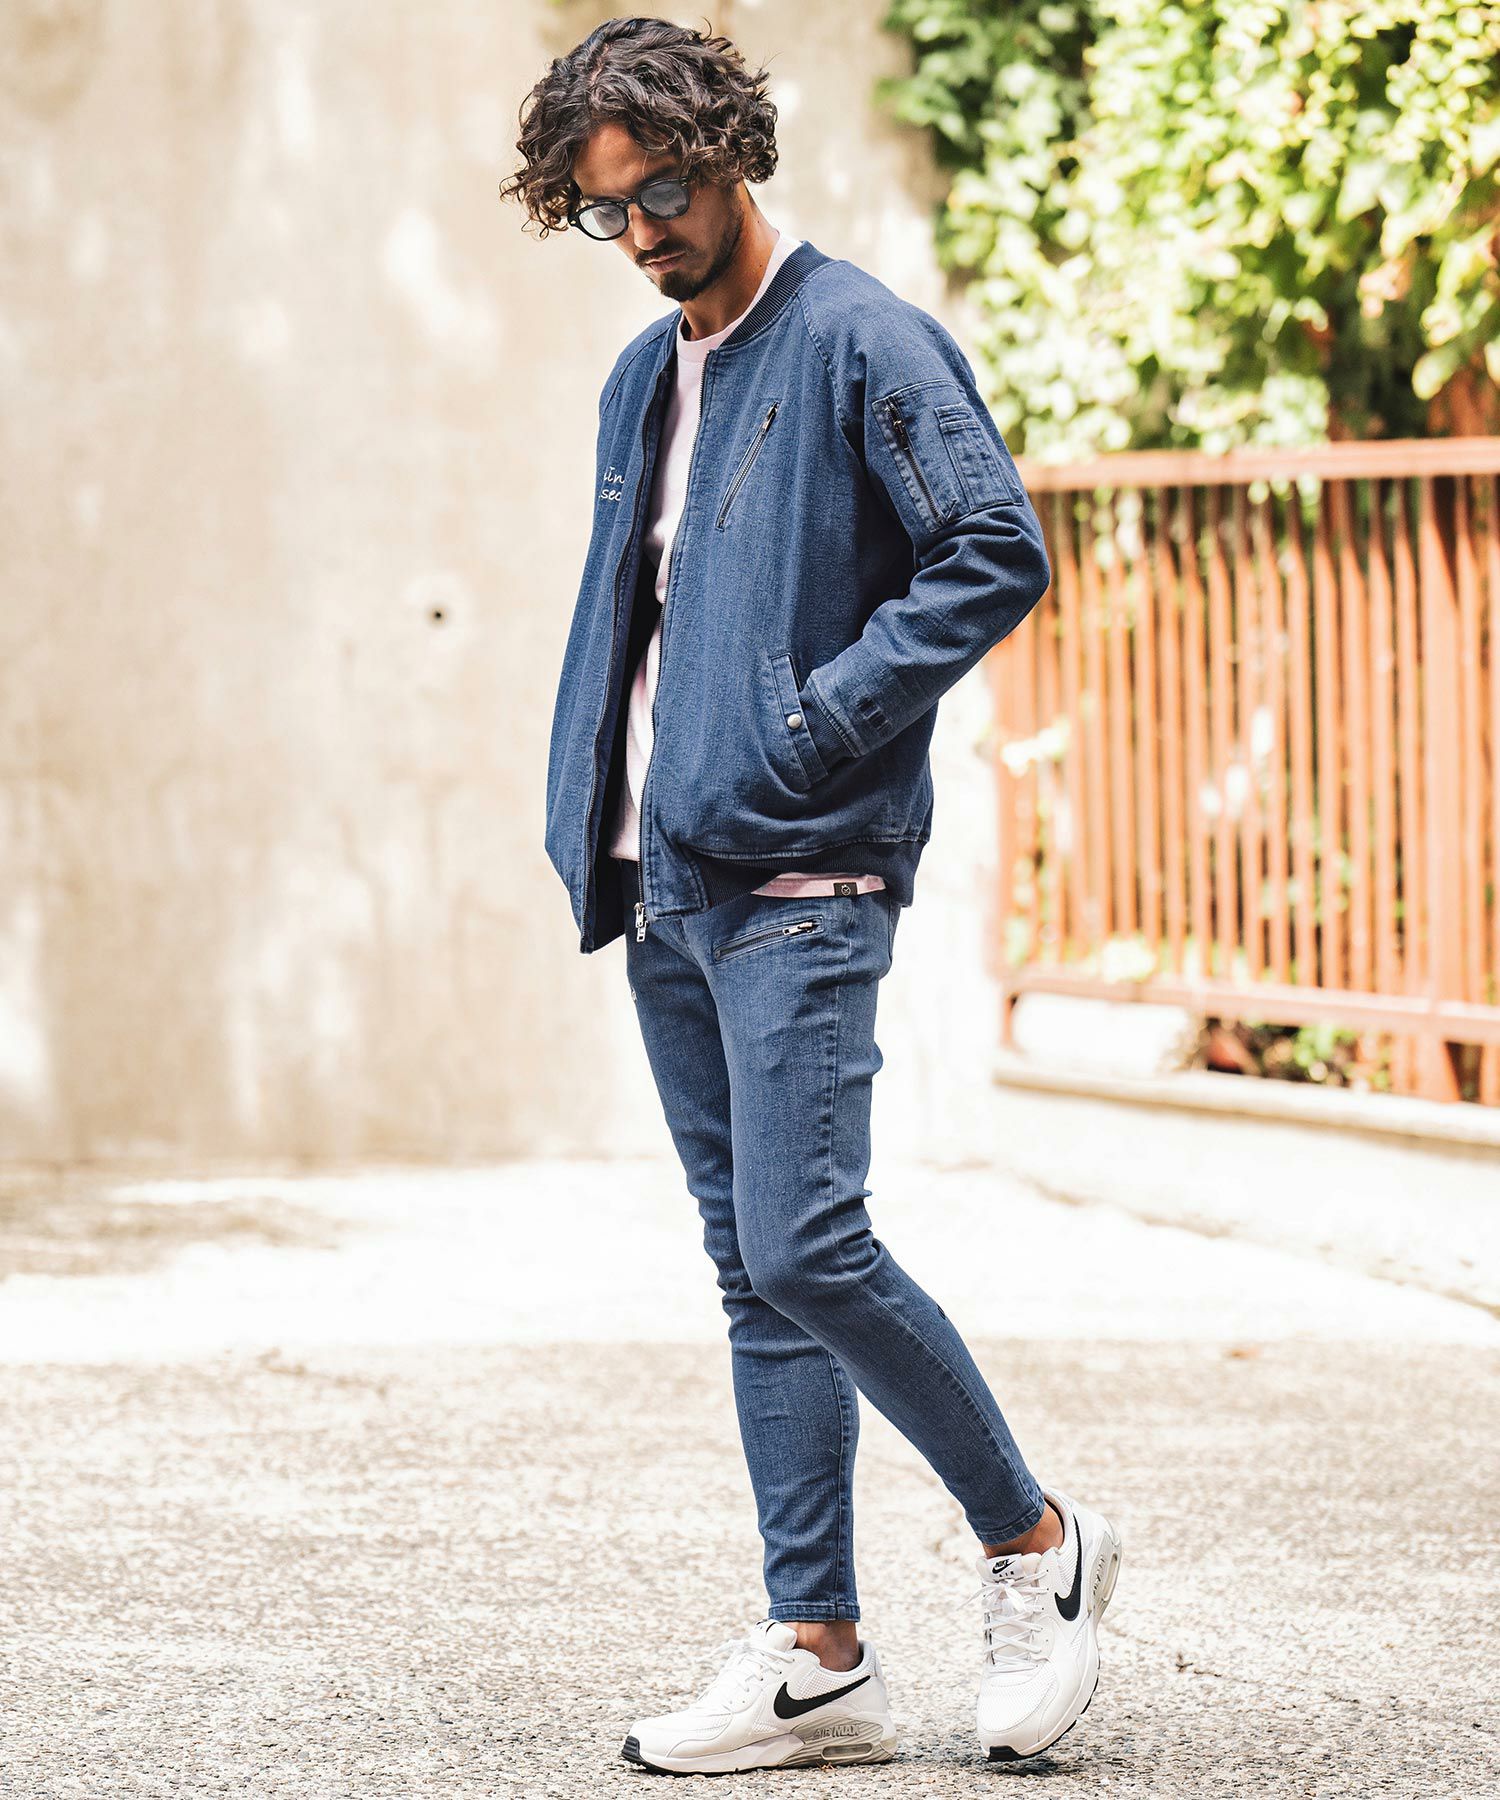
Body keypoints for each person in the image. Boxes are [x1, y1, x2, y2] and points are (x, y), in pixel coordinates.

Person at [503, 15, 1122, 1774]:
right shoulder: (643, 379)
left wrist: (816, 719)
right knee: (751, 1274)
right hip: (670, 882)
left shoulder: (859, 338)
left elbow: (992, 548)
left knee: (806, 1244)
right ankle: (818, 1650)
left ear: (730, 153)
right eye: (605, 211)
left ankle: (1038, 1543)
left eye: (663, 192)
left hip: (803, 871)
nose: (642, 235)